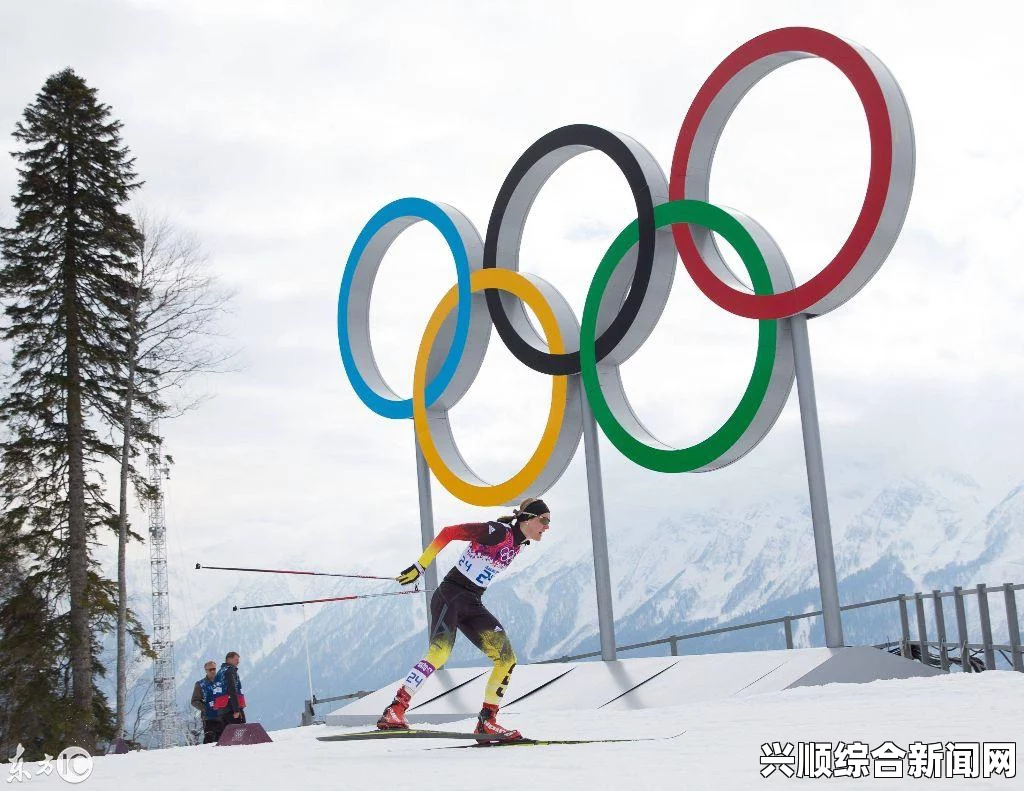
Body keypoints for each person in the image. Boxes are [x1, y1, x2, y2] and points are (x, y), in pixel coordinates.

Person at [377, 497, 551, 740]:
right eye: (544, 520)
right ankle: (395, 709)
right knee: (439, 654)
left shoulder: (518, 543)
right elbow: (450, 532)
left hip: (472, 602)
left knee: (506, 658)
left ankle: (487, 722)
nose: (547, 526)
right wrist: (421, 566)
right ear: (528, 518)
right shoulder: (498, 532)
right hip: (450, 595)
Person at [191, 660, 225, 743]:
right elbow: (194, 701)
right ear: (206, 671)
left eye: (214, 669)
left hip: (222, 716)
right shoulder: (200, 684)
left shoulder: (222, 682)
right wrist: (206, 708)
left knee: (222, 741)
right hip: (209, 718)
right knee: (209, 740)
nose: (213, 671)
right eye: (210, 669)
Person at [214, 651, 246, 725]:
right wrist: (236, 710)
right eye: (236, 660)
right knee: (241, 731)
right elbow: (232, 689)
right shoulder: (230, 671)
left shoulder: (220, 672)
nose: (238, 662)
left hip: (221, 709)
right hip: (231, 707)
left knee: (227, 734)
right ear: (229, 659)